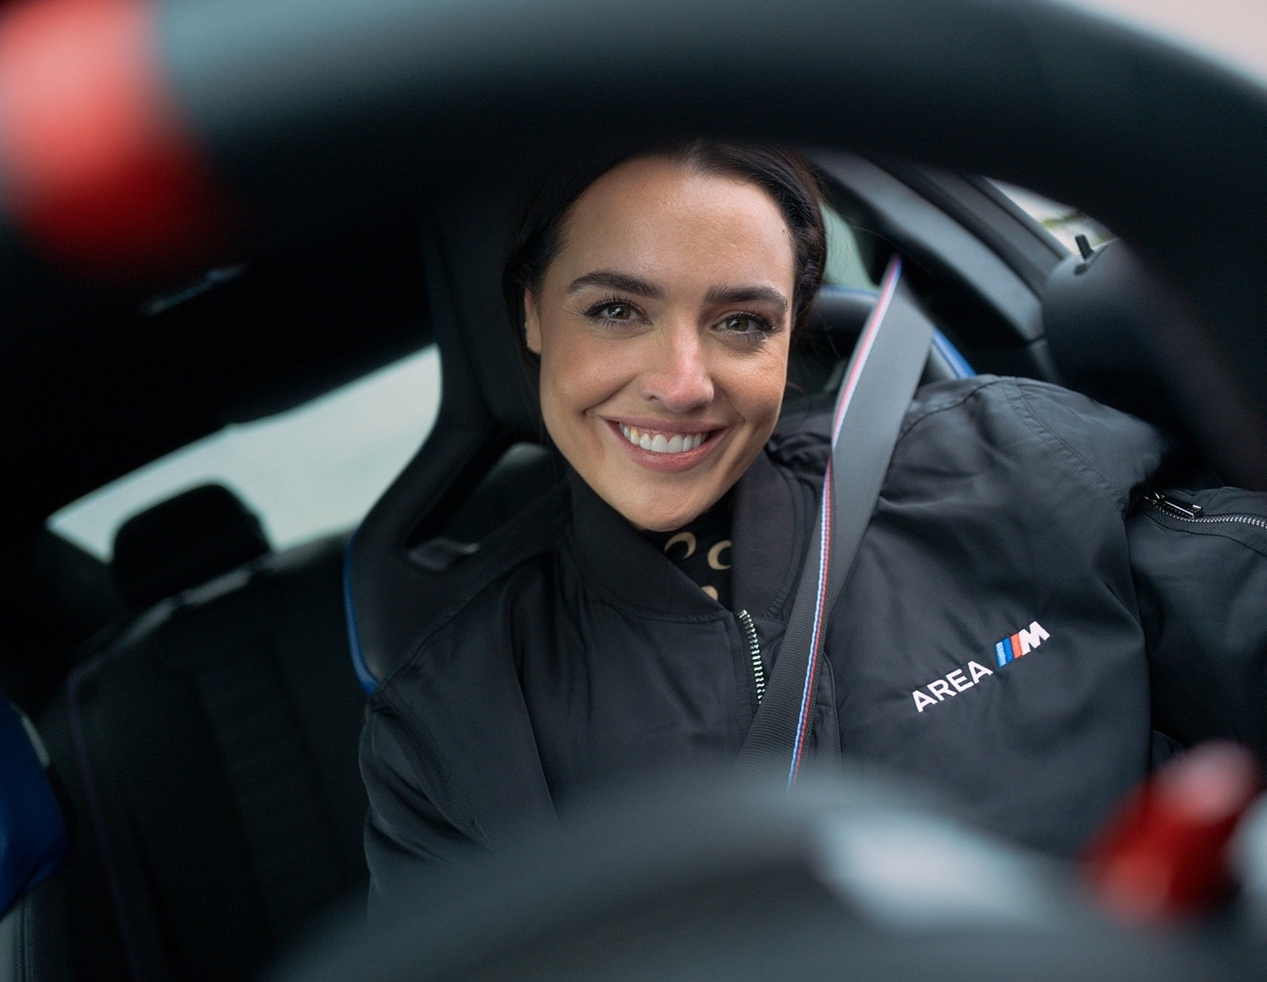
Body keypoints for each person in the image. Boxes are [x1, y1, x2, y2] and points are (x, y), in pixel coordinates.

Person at [358, 139, 1267, 916]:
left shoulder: (1009, 462)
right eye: (616, 309)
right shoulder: (448, 724)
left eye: (741, 321)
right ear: (530, 311)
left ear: (792, 332)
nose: (682, 381)